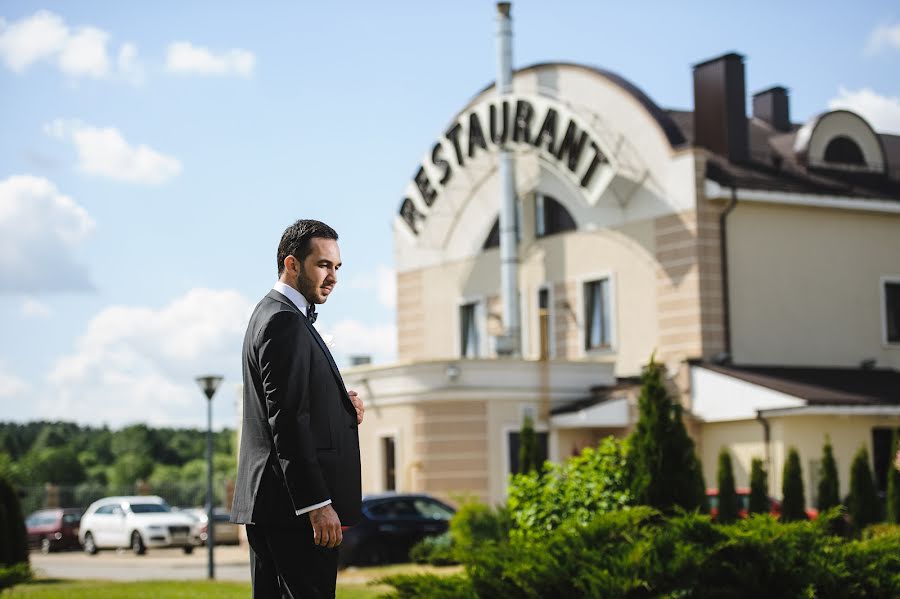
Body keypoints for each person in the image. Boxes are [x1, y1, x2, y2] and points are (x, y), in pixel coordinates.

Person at [232, 219, 364, 599]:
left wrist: (341, 408)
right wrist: (317, 505)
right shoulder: (283, 321)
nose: (333, 277)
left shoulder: (272, 314)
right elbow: (286, 420)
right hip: (293, 512)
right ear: (292, 264)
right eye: (323, 265)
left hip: (275, 507)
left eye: (337, 267)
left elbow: (293, 406)